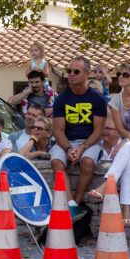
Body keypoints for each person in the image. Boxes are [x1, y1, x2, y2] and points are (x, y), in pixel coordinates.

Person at [88, 62, 130, 226]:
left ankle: (106, 185)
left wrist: (128, 141)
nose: (120, 77)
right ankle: (126, 212)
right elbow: (120, 128)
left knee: (127, 148)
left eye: (125, 75)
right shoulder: (115, 100)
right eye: (119, 74)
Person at [50, 56, 107, 222]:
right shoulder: (61, 99)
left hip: (90, 141)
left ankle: (76, 203)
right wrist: (68, 149)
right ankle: (71, 206)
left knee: (88, 162)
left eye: (76, 71)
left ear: (87, 74)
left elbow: (98, 130)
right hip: (65, 141)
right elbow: (58, 130)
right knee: (57, 164)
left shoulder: (97, 99)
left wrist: (82, 147)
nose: (71, 74)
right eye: (69, 71)